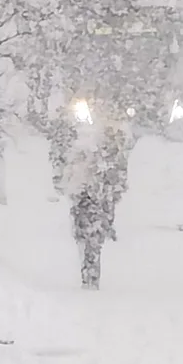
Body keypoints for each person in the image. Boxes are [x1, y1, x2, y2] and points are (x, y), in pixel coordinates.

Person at [62, 122, 129, 288]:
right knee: (87, 241)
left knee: (91, 242)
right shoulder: (86, 155)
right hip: (86, 200)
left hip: (93, 201)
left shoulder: (107, 160)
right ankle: (89, 275)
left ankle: (90, 276)